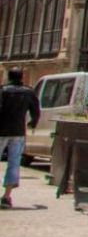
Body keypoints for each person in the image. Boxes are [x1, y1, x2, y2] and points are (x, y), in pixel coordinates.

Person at [1, 67, 41, 209]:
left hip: (1, 130)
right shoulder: (28, 92)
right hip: (18, 131)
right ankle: (6, 196)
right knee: (14, 163)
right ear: (22, 77)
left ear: (9, 77)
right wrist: (33, 123)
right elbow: (36, 110)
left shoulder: (3, 91)